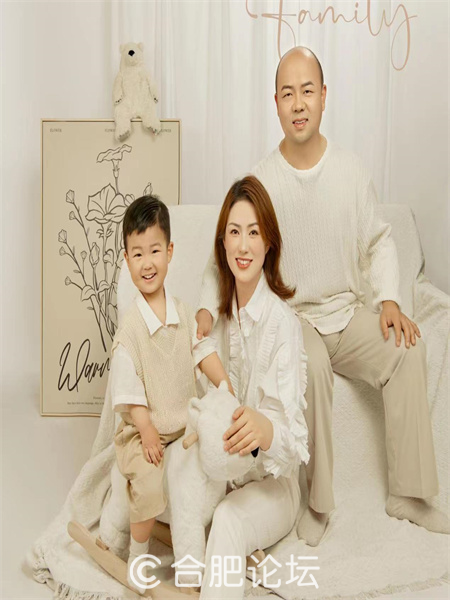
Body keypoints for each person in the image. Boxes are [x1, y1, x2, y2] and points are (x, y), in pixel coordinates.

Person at [196, 47, 449, 547]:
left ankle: (409, 493)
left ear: (324, 97)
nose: (298, 103)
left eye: (307, 91)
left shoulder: (351, 172)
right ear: (275, 102)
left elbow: (379, 241)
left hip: (348, 313)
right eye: (287, 93)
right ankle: (317, 502)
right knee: (308, 367)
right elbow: (220, 253)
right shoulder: (262, 181)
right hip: (294, 319)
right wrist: (206, 308)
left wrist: (390, 300)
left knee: (408, 349)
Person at [110, 194, 231, 594]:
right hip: (144, 431)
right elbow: (130, 394)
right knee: (148, 484)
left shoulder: (181, 311)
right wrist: (145, 431)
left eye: (154, 251)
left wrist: (223, 385)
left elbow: (202, 350)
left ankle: (203, 539)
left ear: (170, 252)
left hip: (181, 429)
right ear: (126, 260)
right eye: (137, 254)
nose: (147, 263)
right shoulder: (130, 331)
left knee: (204, 468)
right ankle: (138, 555)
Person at [198, 175, 309, 599]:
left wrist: (265, 431)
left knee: (228, 519)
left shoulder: (284, 325)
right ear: (222, 242)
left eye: (253, 233)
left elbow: (293, 446)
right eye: (234, 232)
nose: (243, 246)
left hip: (272, 487)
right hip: (223, 474)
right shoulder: (214, 318)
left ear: (268, 243)